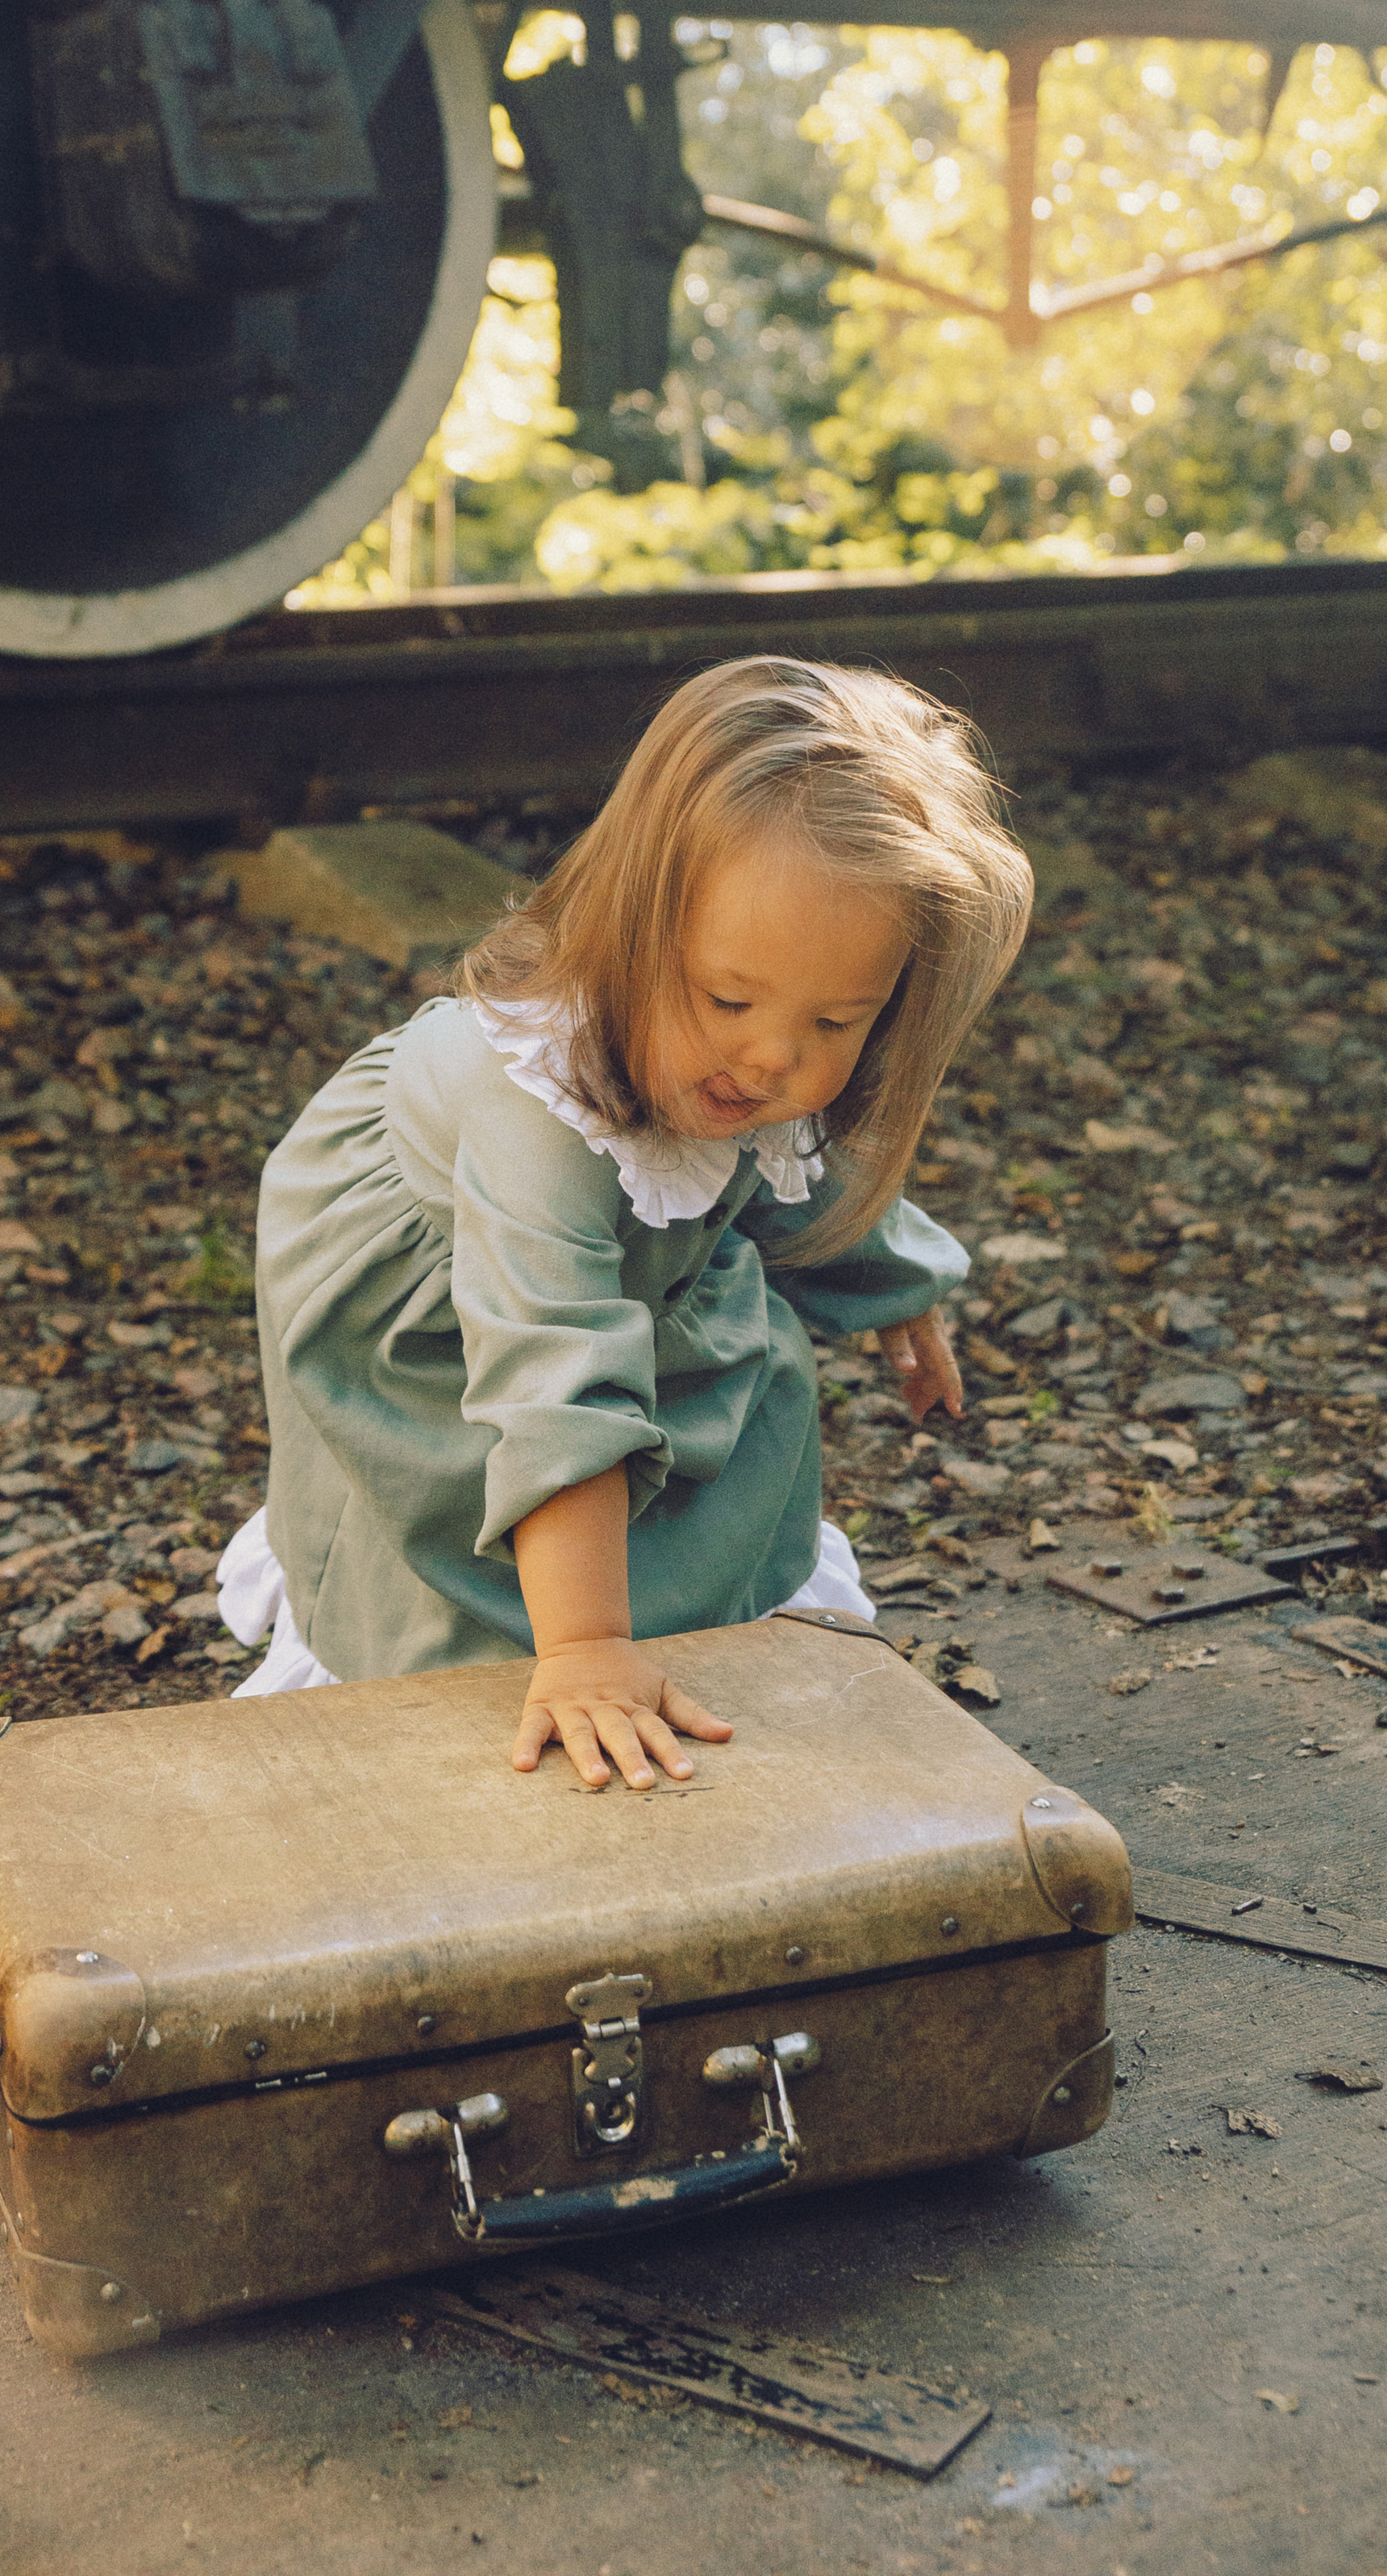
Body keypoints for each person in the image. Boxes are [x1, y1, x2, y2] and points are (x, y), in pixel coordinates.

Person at [217, 656, 1033, 1788]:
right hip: (455, 1313)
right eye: (731, 1000)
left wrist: (898, 1288)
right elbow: (555, 1376)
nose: (773, 1056)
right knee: (492, 1525)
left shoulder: (740, 1064)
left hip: (616, 1279)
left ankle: (656, 1609)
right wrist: (589, 1650)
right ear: (635, 924)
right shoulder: (537, 1110)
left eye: (837, 1020)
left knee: (724, 1400)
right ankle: (550, 1631)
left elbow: (803, 1165)